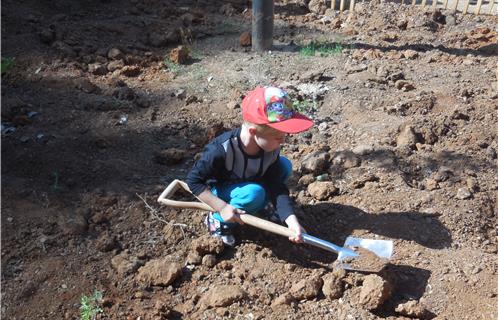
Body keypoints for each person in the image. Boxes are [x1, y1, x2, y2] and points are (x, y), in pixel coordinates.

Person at [186, 86, 314, 246]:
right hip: (223, 190)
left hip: (250, 181)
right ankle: (217, 222)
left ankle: (262, 205)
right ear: (253, 131)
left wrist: (290, 219)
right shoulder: (221, 150)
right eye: (278, 137)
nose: (283, 141)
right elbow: (194, 181)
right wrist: (221, 207)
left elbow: (275, 184)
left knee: (284, 166)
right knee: (254, 194)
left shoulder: (270, 147)